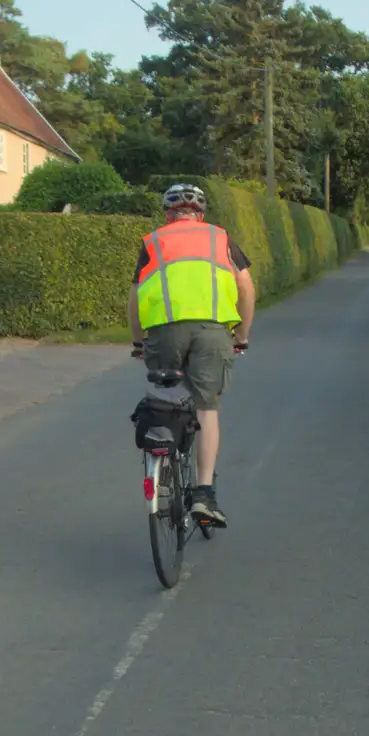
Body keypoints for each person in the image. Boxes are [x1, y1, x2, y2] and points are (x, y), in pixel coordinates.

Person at [127, 183, 257, 527]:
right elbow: (246, 286)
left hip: (164, 331)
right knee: (206, 407)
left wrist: (139, 341)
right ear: (201, 214)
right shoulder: (220, 239)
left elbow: (137, 294)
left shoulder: (153, 242)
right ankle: (202, 493)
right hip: (213, 332)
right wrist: (241, 335)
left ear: (167, 214)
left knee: (167, 396)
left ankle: (163, 463)